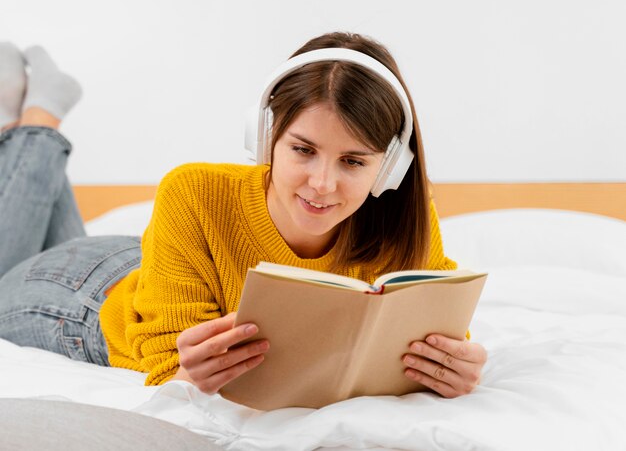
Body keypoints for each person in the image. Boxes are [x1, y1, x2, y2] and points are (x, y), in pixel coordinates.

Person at [0, 34, 487, 401]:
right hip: (86, 296)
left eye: (353, 161)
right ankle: (41, 117)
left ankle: (18, 130)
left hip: (160, 265)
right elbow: (167, 364)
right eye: (303, 149)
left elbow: (434, 333)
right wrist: (188, 376)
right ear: (265, 135)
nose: (322, 183)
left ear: (390, 167)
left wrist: (452, 365)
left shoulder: (405, 219)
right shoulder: (192, 190)